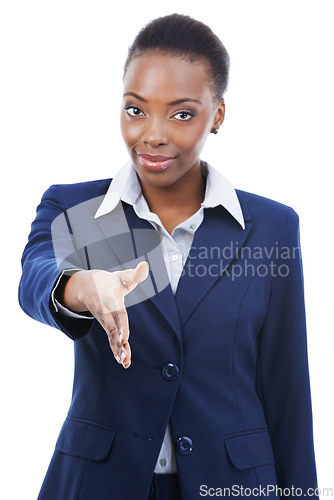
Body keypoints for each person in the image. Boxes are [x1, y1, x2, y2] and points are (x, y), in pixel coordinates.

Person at [19, 13, 318, 500]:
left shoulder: (273, 226)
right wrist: (80, 287)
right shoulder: (76, 209)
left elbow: (286, 389)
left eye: (181, 114)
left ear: (217, 114)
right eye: (136, 110)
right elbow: (34, 277)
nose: (152, 135)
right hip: (102, 484)